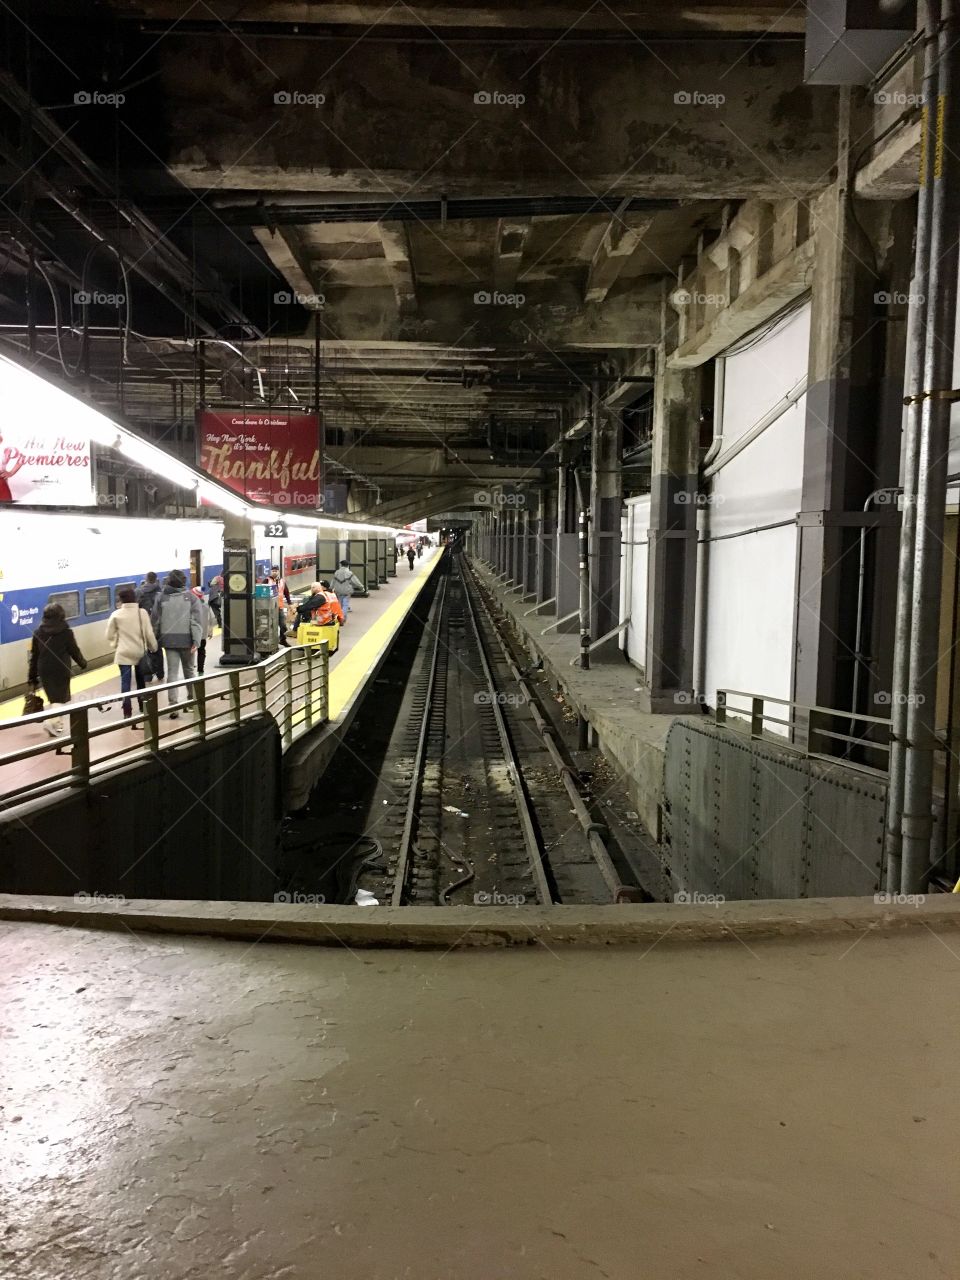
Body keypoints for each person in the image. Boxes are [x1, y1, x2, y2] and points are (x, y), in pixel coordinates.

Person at [27, 602, 88, 738]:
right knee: (59, 699)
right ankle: (51, 722)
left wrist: (31, 676)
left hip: (44, 670)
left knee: (54, 699)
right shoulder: (66, 632)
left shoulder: (38, 633)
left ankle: (57, 724)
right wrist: (82, 663)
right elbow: (74, 651)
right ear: (61, 616)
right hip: (61, 669)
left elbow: (34, 655)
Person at [151, 569, 204, 719]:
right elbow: (196, 622)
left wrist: (154, 639)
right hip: (187, 641)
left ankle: (173, 706)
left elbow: (155, 620)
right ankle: (191, 702)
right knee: (189, 672)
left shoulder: (161, 598)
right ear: (183, 582)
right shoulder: (192, 598)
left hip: (169, 641)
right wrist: (196, 641)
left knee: (172, 673)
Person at [106, 586, 157, 726]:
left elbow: (109, 635)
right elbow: (149, 633)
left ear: (121, 600)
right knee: (141, 682)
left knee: (125, 683)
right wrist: (153, 647)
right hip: (139, 653)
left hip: (123, 654)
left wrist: (116, 644)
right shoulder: (142, 613)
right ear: (134, 598)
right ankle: (142, 706)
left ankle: (127, 711)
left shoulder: (116, 615)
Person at [190, 586, 215, 675]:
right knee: (201, 651)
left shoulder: (190, 607)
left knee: (191, 651)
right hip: (203, 634)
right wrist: (210, 631)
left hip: (192, 634)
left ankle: (191, 667)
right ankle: (201, 669)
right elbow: (211, 619)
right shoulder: (206, 606)